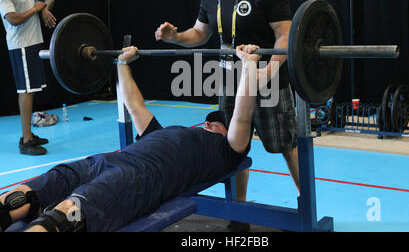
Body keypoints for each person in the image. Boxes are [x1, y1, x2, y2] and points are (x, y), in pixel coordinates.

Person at [0, 44, 261, 232]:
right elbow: (135, 104)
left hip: (139, 178)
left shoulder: (226, 152)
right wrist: (123, 63)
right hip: (102, 162)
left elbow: (242, 115)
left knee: (68, 216)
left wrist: (249, 66)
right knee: (23, 197)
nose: (212, 124)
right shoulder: (162, 133)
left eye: (221, 124)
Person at [154, 0, 299, 231]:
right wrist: (176, 37)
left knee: (285, 144)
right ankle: (239, 213)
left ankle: (306, 205)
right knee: (231, 147)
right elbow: (199, 33)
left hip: (268, 81)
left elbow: (285, 36)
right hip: (230, 81)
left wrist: (267, 72)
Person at [0, 0, 56, 155]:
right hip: (21, 46)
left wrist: (43, 11)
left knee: (32, 90)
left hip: (33, 45)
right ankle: (25, 141)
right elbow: (13, 19)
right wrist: (35, 9)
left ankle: (29, 135)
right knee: (25, 91)